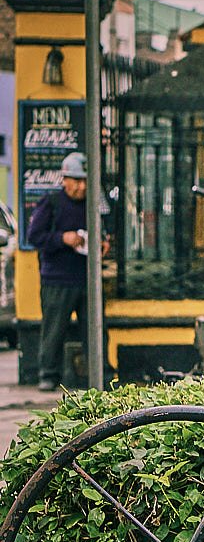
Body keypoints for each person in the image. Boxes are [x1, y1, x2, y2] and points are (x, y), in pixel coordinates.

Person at [27, 151, 105, 391]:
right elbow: (35, 236)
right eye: (77, 181)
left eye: (85, 181)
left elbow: (107, 229)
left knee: (94, 329)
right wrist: (63, 238)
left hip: (87, 277)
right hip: (57, 278)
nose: (81, 187)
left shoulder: (96, 203)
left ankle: (101, 373)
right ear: (65, 180)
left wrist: (104, 242)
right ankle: (48, 374)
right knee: (54, 329)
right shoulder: (51, 203)